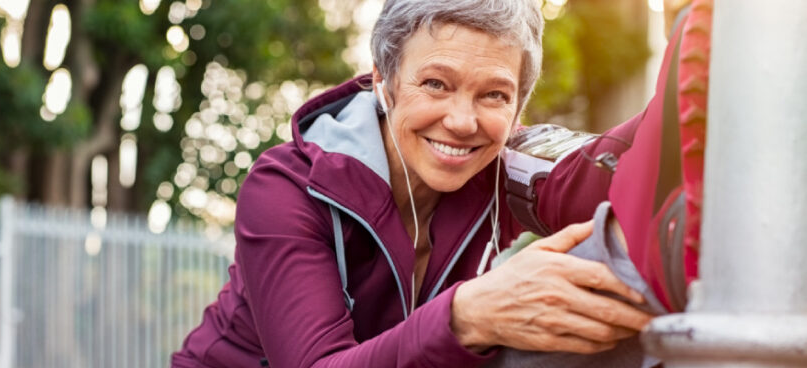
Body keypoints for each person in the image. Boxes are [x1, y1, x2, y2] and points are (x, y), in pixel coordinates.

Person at [170, 1, 677, 367]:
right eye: (435, 83)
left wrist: (693, 100)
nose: (461, 121)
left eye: (494, 95)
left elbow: (601, 169)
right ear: (382, 82)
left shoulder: (503, 165)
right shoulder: (288, 188)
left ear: (518, 106)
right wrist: (466, 317)